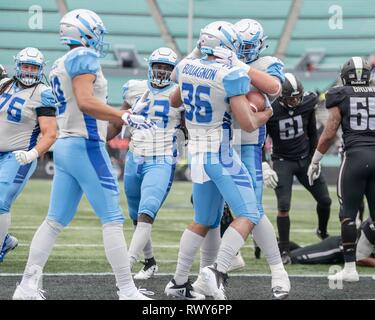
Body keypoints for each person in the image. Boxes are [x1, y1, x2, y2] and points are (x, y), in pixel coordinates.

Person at [12, 9, 155, 300]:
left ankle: (27, 285)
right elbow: (86, 101)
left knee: (54, 220)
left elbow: (83, 103)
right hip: (85, 145)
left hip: (65, 145)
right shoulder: (83, 57)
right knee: (112, 218)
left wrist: (119, 115)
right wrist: (123, 116)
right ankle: (126, 289)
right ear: (84, 32)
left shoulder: (60, 62)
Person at [164, 21, 273, 300]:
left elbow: (174, 101)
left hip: (196, 153)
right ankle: (216, 271)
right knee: (249, 214)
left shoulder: (186, 67)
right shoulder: (230, 74)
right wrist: (266, 115)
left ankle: (177, 282)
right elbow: (248, 124)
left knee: (203, 220)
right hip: (221, 152)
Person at [192, 18, 290, 298]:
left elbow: (272, 90)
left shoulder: (262, 63)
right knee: (207, 214)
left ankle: (277, 270)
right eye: (240, 46)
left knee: (252, 209)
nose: (243, 50)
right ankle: (206, 275)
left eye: (248, 48)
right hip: (215, 143)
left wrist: (238, 63)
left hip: (246, 144)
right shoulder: (214, 57)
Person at [107, 47, 184, 280]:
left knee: (147, 210)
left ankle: (127, 264)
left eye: (166, 68)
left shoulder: (181, 94)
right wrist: (99, 140)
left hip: (162, 157)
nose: (161, 71)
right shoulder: (134, 89)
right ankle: (149, 262)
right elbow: (117, 122)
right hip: (135, 156)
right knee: (134, 212)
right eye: (158, 66)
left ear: (173, 71)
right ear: (150, 67)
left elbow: (190, 126)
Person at [308, 56, 375, 282]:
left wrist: (316, 159)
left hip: (355, 157)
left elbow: (329, 132)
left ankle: (350, 269)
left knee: (348, 215)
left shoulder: (340, 93)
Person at [264, 73, 332, 264]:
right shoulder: (272, 110)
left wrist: (314, 159)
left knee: (325, 200)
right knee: (284, 206)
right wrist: (264, 164)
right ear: (281, 97)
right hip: (283, 161)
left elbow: (311, 131)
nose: (295, 101)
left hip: (305, 159)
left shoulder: (308, 101)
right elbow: (261, 140)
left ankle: (322, 231)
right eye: (291, 98)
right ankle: (284, 250)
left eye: (297, 97)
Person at [0, 48, 57, 263]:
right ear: (18, 66)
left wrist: (32, 154)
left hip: (17, 156)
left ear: (40, 69)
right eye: (26, 66)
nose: (29, 71)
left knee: (1, 200)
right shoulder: (4, 84)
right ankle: (4, 239)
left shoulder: (43, 93)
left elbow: (50, 133)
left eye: (34, 67)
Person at [290, 217, 375, 267]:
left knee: (300, 252)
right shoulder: (370, 228)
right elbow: (360, 258)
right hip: (336, 249)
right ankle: (281, 246)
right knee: (291, 258)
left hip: (340, 252)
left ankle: (287, 245)